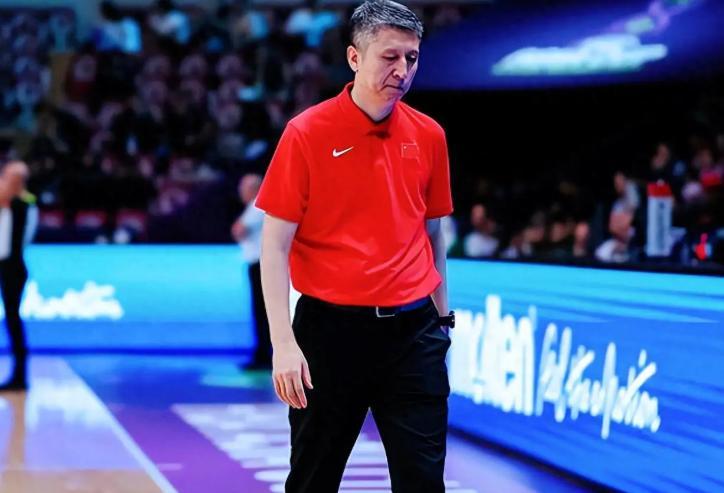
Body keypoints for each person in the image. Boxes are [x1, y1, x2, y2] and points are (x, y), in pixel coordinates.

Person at [255, 1, 454, 491]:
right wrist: (284, 344)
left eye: (411, 57)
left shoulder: (430, 135)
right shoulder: (306, 133)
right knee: (313, 481)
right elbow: (274, 246)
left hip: (414, 334)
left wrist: (442, 319)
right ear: (354, 57)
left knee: (424, 483)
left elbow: (432, 234)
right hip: (329, 334)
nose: (402, 70)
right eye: (390, 57)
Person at [0, 161, 38, 392]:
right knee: (11, 319)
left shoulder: (24, 203)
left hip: (13, 267)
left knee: (13, 318)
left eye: (7, 176)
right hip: (4, 264)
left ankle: (20, 375)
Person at [231, 173, 271, 370]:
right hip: (260, 264)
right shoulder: (257, 206)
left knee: (261, 311)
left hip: (260, 264)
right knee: (262, 311)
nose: (240, 192)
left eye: (243, 188)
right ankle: (263, 352)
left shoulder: (258, 205)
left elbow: (238, 230)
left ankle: (263, 354)